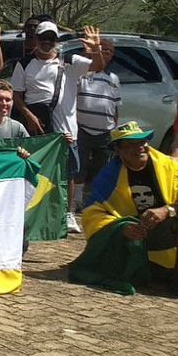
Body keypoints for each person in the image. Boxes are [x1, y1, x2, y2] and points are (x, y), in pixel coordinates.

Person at [12, 22, 105, 233]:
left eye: (51, 38)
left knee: (68, 171)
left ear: (57, 41)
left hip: (65, 126)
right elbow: (17, 94)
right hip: (37, 125)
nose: (46, 42)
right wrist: (28, 115)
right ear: (35, 39)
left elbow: (97, 66)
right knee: (36, 168)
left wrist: (96, 48)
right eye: (43, 37)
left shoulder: (70, 62)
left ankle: (68, 213)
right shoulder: (24, 63)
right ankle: (33, 211)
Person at [73, 121, 178, 293]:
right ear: (118, 150)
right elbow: (92, 213)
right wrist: (122, 228)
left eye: (142, 143)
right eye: (130, 145)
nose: (139, 148)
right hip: (135, 238)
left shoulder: (171, 167)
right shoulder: (108, 176)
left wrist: (168, 210)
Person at [76, 38, 120, 205]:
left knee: (101, 168)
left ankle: (96, 202)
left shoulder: (114, 78)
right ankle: (78, 201)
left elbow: (115, 105)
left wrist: (113, 128)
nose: (107, 54)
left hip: (105, 131)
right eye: (104, 50)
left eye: (110, 52)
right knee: (80, 166)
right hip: (83, 128)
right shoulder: (84, 74)